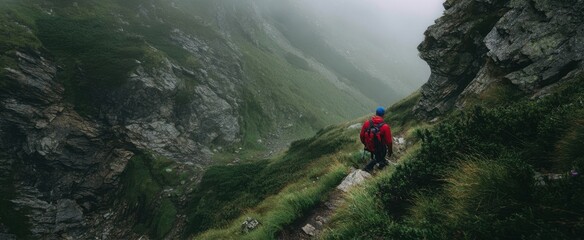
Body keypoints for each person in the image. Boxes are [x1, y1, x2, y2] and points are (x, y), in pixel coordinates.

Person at [360, 106, 392, 172]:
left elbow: (361, 136)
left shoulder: (367, 123)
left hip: (369, 146)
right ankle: (370, 167)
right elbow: (389, 142)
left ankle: (379, 161)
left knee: (377, 153)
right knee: (382, 153)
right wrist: (390, 151)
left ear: (376, 113)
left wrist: (366, 144)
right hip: (379, 149)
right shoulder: (385, 127)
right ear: (383, 115)